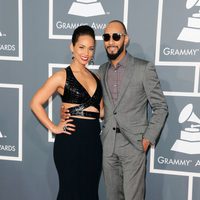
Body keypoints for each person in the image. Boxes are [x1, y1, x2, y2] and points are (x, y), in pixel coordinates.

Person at [30, 25, 104, 200]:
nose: (86, 52)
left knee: (90, 193)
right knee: (70, 193)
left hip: (93, 144)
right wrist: (54, 127)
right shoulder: (62, 76)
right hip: (70, 142)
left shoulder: (96, 77)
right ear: (72, 47)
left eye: (91, 48)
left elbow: (101, 112)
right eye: (81, 47)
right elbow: (35, 103)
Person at [98, 20, 168, 200]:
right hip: (108, 146)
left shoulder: (143, 68)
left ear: (126, 39)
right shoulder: (101, 70)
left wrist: (146, 140)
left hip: (134, 146)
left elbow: (160, 107)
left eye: (116, 36)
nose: (111, 41)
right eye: (106, 37)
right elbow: (100, 107)